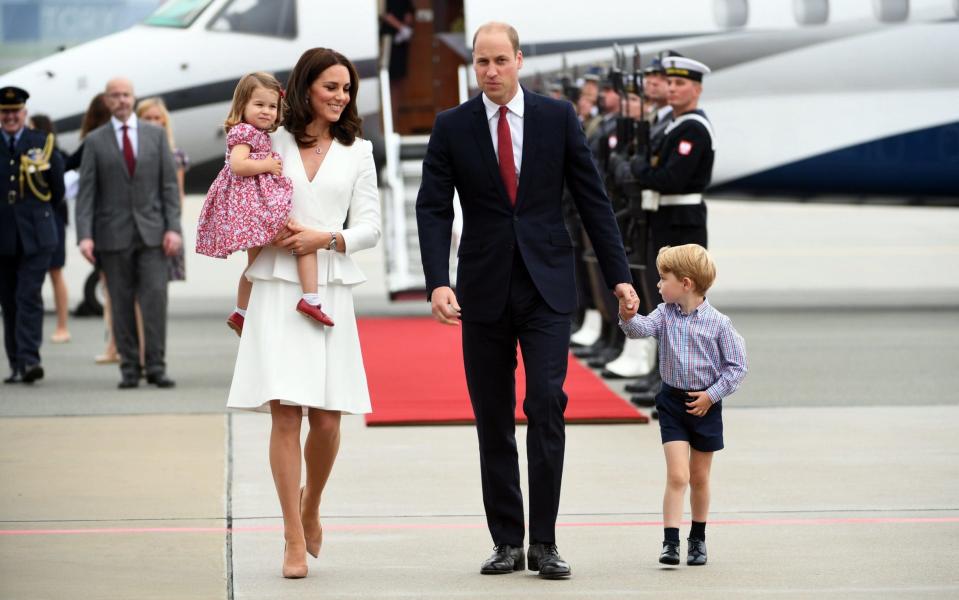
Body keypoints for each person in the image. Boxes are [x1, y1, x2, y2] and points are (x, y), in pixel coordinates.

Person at [416, 22, 638, 579]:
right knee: (492, 416)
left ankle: (544, 542)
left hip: (546, 286)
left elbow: (593, 199)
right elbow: (434, 208)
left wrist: (618, 277)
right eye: (480, 62)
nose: (490, 71)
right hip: (483, 289)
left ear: (518, 60)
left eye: (499, 60)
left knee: (545, 404)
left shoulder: (556, 118)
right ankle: (506, 541)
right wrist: (437, 280)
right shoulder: (453, 127)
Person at [226, 48, 380, 580]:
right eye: (330, 87)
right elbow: (240, 198)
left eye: (347, 89)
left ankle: (311, 504)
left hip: (329, 286)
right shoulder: (271, 141)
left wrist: (327, 237)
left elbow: (370, 227)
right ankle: (292, 533)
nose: (340, 97)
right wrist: (269, 234)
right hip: (275, 283)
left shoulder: (359, 150)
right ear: (305, 88)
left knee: (329, 418)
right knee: (286, 412)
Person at [618, 244, 747, 566]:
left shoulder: (719, 324)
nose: (659, 285)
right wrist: (627, 315)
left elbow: (737, 367)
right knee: (677, 475)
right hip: (673, 402)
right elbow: (640, 330)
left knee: (699, 477)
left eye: (663, 279)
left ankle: (698, 538)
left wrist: (711, 395)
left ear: (686, 283)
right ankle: (670, 541)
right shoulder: (665, 314)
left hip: (704, 404)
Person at [196, 72, 334, 334]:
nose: (266, 112)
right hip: (251, 208)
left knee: (255, 264)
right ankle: (310, 298)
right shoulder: (244, 131)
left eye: (272, 107)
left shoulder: (258, 133)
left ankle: (241, 313)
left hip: (253, 205)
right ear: (243, 106)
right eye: (259, 105)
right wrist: (267, 165)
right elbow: (238, 165)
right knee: (301, 239)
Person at [75, 77, 182, 389]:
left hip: (153, 235)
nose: (121, 100)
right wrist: (85, 235)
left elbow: (169, 189)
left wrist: (173, 228)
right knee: (120, 304)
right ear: (107, 101)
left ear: (134, 99)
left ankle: (157, 367)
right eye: (115, 96)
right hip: (112, 236)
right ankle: (130, 370)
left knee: (155, 302)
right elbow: (86, 194)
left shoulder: (156, 136)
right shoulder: (94, 141)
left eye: (126, 95)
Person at [1, 86, 65, 384]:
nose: (10, 117)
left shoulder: (43, 143)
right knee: (9, 301)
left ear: (24, 113)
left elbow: (56, 190)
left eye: (15, 112)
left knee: (28, 296)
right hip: (3, 236)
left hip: (36, 235)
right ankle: (15, 363)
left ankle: (29, 361)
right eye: (5, 113)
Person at [66, 93, 125, 365]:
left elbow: (68, 166)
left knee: (112, 290)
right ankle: (123, 344)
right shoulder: (118, 139)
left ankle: (115, 345)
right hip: (125, 222)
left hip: (104, 224)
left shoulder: (92, 141)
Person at [27, 113, 71, 344]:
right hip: (28, 223)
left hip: (51, 220)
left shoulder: (55, 155)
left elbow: (59, 191)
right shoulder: (24, 153)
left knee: (55, 272)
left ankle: (62, 325)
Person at [137, 97, 189, 282]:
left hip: (163, 224)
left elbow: (178, 193)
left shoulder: (175, 156)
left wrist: (172, 227)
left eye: (157, 118)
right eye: (147, 118)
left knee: (157, 283)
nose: (152, 122)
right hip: (138, 222)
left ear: (164, 121)